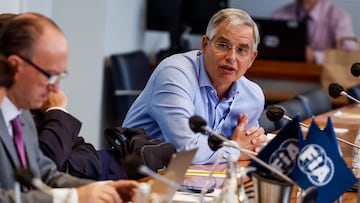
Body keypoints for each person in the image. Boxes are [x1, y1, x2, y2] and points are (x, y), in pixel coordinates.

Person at [0, 12, 137, 203]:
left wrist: (101, 189)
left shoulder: (20, 114)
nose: (56, 88)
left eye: (60, 76)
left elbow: (45, 173)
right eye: (49, 75)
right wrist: (72, 197)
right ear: (16, 66)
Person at [123, 8, 267, 165]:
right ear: (205, 45)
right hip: (135, 173)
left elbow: (248, 147)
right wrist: (235, 149)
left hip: (194, 179)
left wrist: (253, 144)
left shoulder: (253, 96)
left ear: (252, 58)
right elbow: (186, 149)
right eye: (223, 45)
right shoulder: (175, 73)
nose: (231, 57)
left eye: (241, 50)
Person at [31, 91, 128, 181]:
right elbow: (46, 161)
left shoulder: (33, 109)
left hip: (93, 162)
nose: (55, 88)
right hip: (89, 170)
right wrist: (56, 108)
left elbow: (74, 144)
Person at [272, 0, 357, 64]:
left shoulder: (339, 17)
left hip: (325, 80)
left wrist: (315, 56)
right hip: (287, 77)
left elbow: (349, 55)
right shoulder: (279, 15)